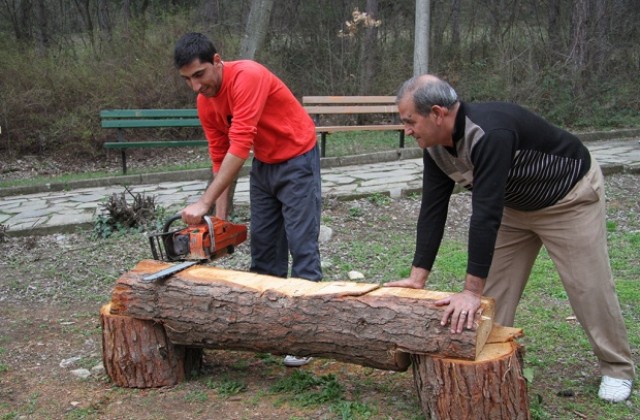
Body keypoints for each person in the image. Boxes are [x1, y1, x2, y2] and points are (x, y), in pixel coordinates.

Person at [385, 74, 635, 402]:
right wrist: (418, 278)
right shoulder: (434, 148)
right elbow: (433, 209)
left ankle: (617, 368)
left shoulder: (488, 132)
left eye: (409, 121)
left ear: (437, 113)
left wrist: (469, 291)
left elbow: (485, 213)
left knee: (588, 285)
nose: (407, 129)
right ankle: (491, 362)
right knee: (495, 295)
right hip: (515, 207)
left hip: (568, 199)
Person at [173, 32, 322, 367]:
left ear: (216, 61)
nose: (196, 86)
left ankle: (305, 334)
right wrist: (219, 222)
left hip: (298, 157)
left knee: (302, 244)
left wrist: (203, 203)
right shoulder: (204, 102)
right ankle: (269, 329)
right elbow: (219, 155)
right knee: (265, 248)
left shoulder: (247, 76)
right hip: (265, 164)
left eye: (199, 75)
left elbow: (239, 147)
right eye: (187, 80)